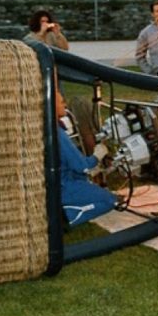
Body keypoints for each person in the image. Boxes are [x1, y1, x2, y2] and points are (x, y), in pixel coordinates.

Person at [55, 88, 117, 227]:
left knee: (94, 190)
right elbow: (81, 166)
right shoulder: (58, 133)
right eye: (61, 102)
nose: (65, 105)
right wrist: (97, 155)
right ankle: (65, 217)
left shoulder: (51, 129)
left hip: (59, 183)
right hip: (65, 187)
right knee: (109, 200)